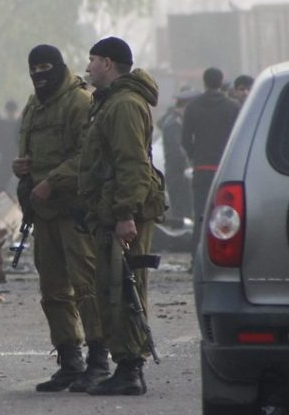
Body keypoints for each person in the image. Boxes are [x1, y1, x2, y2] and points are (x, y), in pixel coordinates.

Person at [12, 44, 106, 393]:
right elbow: (28, 152)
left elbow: (88, 156)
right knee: (53, 290)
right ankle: (70, 360)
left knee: (86, 286)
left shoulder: (79, 102)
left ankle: (99, 360)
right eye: (33, 69)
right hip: (43, 213)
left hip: (74, 210)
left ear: (59, 67)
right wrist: (22, 168)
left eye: (45, 68)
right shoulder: (33, 105)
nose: (39, 75)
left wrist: (52, 181)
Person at [78, 36, 165, 395]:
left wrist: (125, 213)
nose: (88, 67)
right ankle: (126, 365)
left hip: (123, 213)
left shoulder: (125, 104)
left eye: (93, 59)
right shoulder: (111, 102)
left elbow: (132, 165)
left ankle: (130, 369)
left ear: (108, 64)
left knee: (123, 289)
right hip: (111, 211)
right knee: (112, 287)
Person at [182, 67, 240, 255]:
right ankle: (222, 254)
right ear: (221, 82)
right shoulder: (233, 107)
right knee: (225, 215)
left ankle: (196, 257)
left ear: (204, 82)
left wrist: (195, 156)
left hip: (201, 169)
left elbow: (185, 139)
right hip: (225, 170)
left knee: (200, 215)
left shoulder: (192, 106)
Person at [159, 88, 197, 222]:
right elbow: (177, 149)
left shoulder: (178, 121)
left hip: (180, 172)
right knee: (181, 210)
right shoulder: (173, 124)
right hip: (177, 173)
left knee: (186, 208)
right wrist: (187, 166)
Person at [0, 100, 20, 197]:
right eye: (10, 111)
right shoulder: (2, 124)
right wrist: (3, 150)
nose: (11, 113)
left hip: (18, 158)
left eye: (13, 111)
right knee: (1, 184)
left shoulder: (20, 124)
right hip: (5, 158)